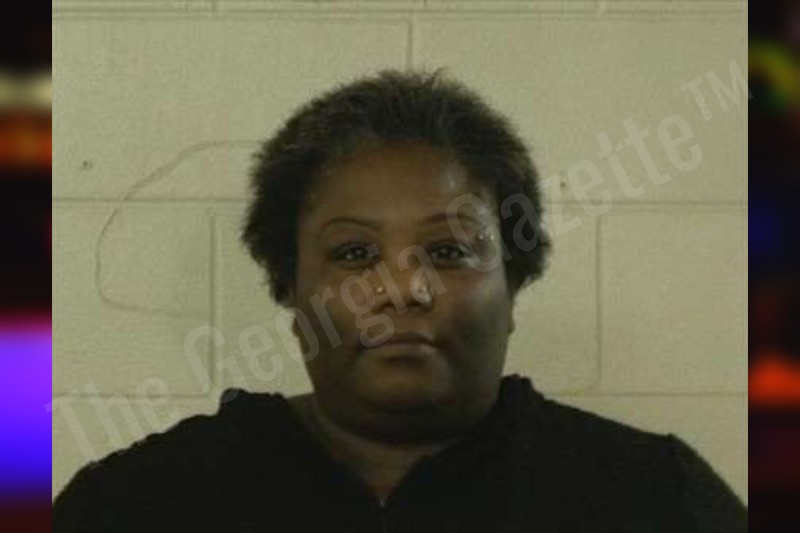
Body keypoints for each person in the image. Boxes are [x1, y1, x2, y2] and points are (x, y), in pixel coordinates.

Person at [53, 70, 746, 532]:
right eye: (355, 254)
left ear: (513, 286)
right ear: (289, 286)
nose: (403, 288)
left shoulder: (657, 498)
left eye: (449, 252)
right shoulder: (137, 503)